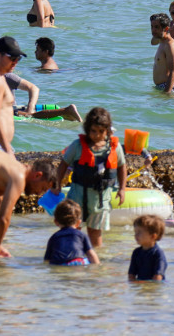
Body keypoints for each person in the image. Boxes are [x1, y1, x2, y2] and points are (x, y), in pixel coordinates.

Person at [57, 107, 127, 249]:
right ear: (87, 129)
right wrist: (57, 185)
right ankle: (73, 256)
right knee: (73, 231)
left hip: (100, 202)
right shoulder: (77, 146)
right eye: (93, 131)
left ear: (107, 130)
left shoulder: (114, 148)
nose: (97, 135)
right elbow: (63, 164)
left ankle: (96, 261)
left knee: (95, 235)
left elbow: (121, 167)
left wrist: (122, 189)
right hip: (76, 198)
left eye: (101, 131)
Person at [44, 200, 99, 266]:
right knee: (86, 260)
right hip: (77, 262)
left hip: (60, 264)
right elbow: (91, 254)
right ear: (78, 222)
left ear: (56, 222)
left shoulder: (54, 237)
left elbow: (47, 260)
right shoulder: (82, 235)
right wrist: (98, 267)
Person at [129, 215, 168, 281]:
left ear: (153, 236)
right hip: (140, 284)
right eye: (135, 232)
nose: (136, 235)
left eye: (139, 232)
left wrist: (145, 285)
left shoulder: (158, 254)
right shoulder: (136, 252)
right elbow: (131, 275)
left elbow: (158, 278)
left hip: (154, 286)